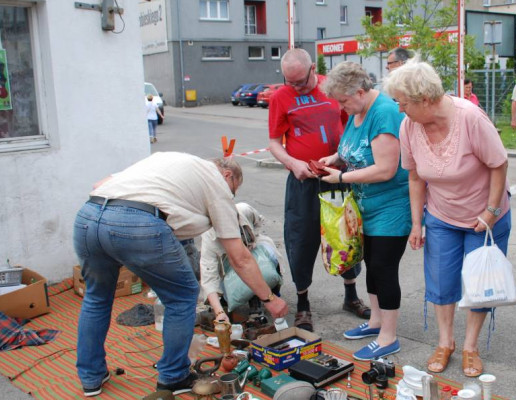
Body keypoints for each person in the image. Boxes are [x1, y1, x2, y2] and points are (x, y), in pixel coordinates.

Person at [73, 152, 288, 397]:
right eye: (234, 190)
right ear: (227, 175)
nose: (232, 197)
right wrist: (270, 299)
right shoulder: (216, 184)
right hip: (138, 223)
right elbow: (240, 258)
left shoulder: (170, 161)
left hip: (89, 216)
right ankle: (173, 376)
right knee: (182, 296)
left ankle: (91, 377)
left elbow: (98, 185)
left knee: (96, 298)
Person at [384, 58, 511, 378]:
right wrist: (417, 222)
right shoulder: (408, 126)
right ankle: (446, 342)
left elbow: (499, 164)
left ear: (424, 99)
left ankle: (470, 346)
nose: (400, 109)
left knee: (480, 285)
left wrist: (491, 212)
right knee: (440, 282)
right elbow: (415, 177)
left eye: (402, 102)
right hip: (441, 215)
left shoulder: (470, 118)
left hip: (485, 215)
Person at [268, 48, 370, 332]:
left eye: (301, 81)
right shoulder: (280, 97)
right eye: (291, 82)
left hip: (337, 176)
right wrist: (292, 163)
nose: (296, 87)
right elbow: (275, 143)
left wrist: (343, 157)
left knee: (346, 235)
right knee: (301, 240)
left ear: (313, 68)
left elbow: (350, 125)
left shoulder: (332, 89)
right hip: (303, 181)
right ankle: (303, 304)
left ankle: (351, 296)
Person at [317, 61, 411, 360]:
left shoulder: (383, 112)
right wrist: (334, 158)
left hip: (390, 206)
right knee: (371, 263)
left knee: (384, 268)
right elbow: (354, 147)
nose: (342, 108)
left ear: (360, 91)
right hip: (364, 206)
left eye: (344, 101)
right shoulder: (357, 111)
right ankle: (375, 321)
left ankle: (388, 337)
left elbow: (385, 169)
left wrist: (341, 177)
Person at [200, 202, 282, 321]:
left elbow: (258, 222)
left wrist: (253, 243)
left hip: (251, 250)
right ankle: (224, 301)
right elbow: (209, 279)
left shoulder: (244, 210)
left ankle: (258, 299)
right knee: (228, 289)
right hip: (226, 265)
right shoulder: (209, 238)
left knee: (265, 260)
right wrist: (219, 313)